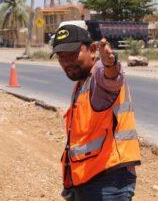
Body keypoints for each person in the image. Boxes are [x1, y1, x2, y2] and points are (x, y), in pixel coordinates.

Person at [51, 24, 141, 200]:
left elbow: (111, 78)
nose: (67, 62)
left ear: (92, 50)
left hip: (109, 182)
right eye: (61, 57)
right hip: (89, 180)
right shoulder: (81, 83)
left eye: (72, 54)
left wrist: (110, 64)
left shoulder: (99, 76)